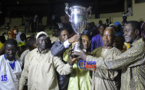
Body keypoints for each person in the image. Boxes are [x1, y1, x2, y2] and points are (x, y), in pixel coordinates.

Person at [73, 21, 145, 90]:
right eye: (104, 35)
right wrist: (79, 56)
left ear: (114, 38)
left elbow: (111, 71)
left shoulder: (118, 53)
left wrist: (90, 63)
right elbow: (88, 63)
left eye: (109, 35)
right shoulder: (98, 50)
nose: (124, 34)